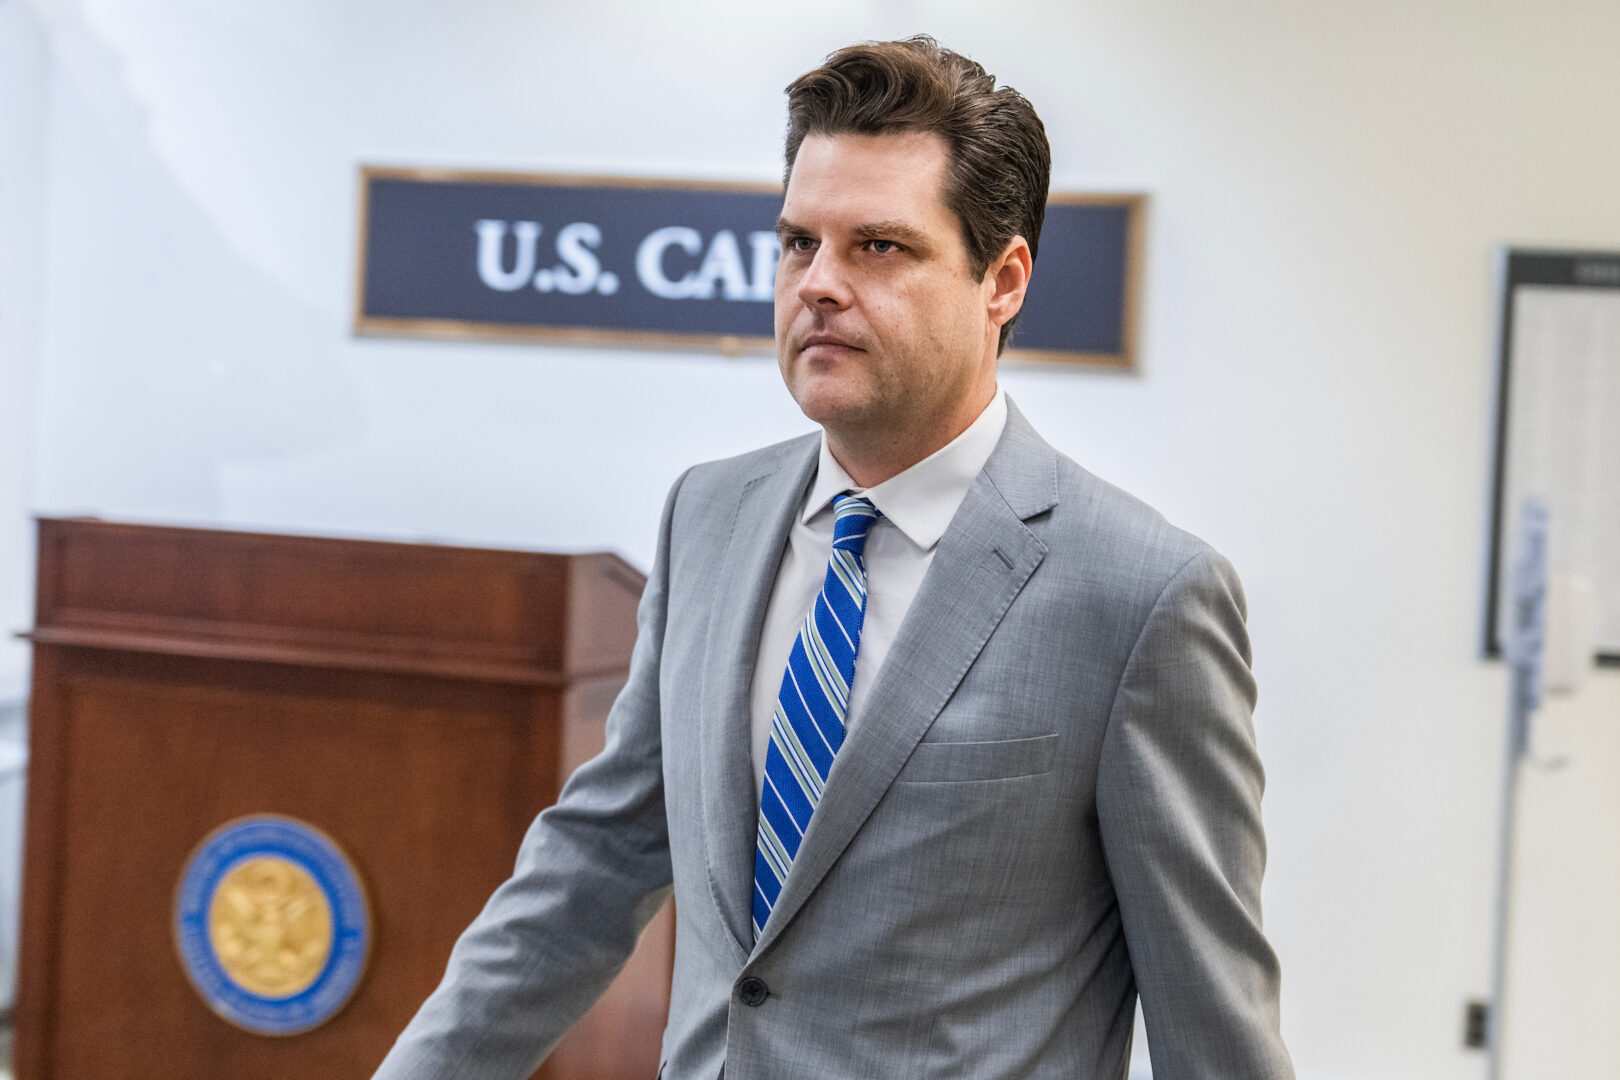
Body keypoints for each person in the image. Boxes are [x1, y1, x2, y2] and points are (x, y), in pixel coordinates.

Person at [375, 36, 1293, 1080]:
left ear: (1003, 281)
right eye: (798, 243)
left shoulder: (1142, 598)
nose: (819, 284)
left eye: (879, 248)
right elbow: (590, 870)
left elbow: (1214, 1032)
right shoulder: (709, 518)